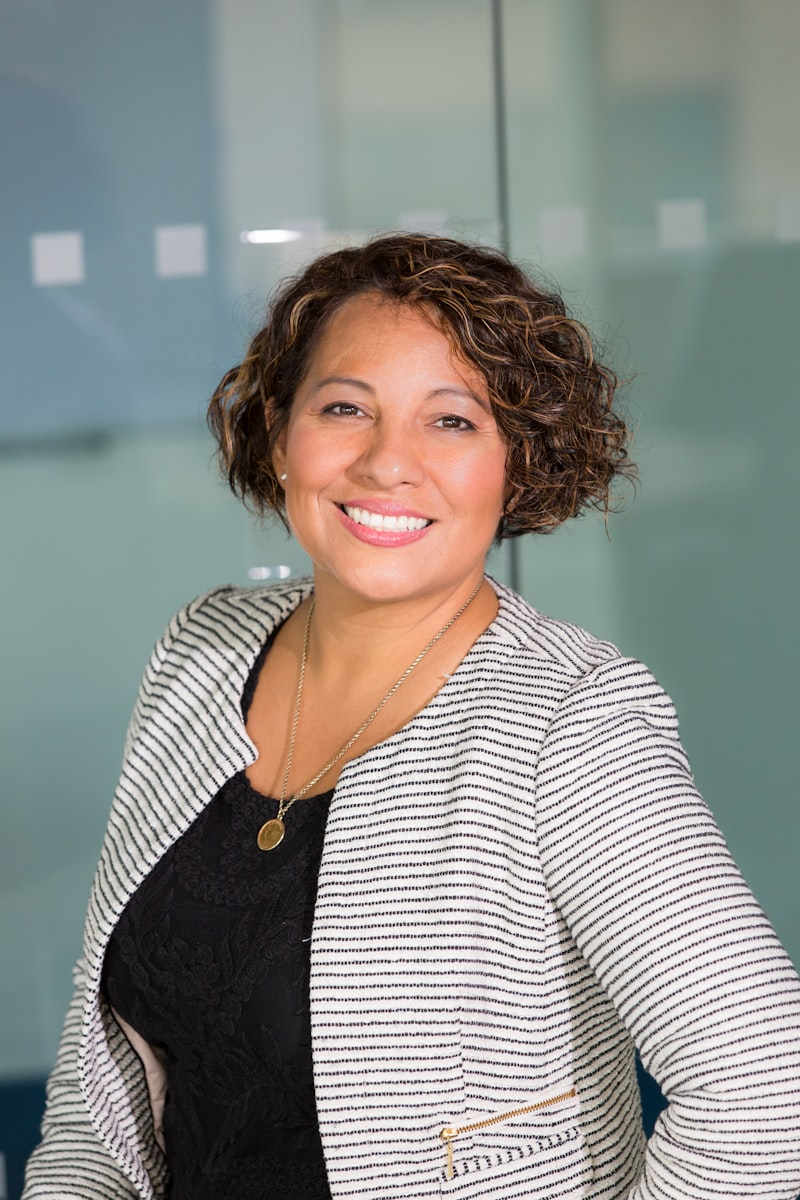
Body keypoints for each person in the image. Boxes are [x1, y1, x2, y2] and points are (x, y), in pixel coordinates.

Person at [23, 234, 800, 1200]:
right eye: (346, 407)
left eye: (453, 422)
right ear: (278, 431)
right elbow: (97, 1097)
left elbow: (763, 1091)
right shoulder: (202, 650)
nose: (389, 462)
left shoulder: (572, 718)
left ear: (519, 462)